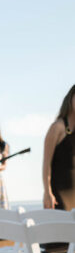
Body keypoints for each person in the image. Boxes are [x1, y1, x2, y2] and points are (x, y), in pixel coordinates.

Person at [42, 83, 75, 211]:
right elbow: (46, 164)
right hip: (59, 193)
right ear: (70, 99)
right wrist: (47, 192)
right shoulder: (57, 127)